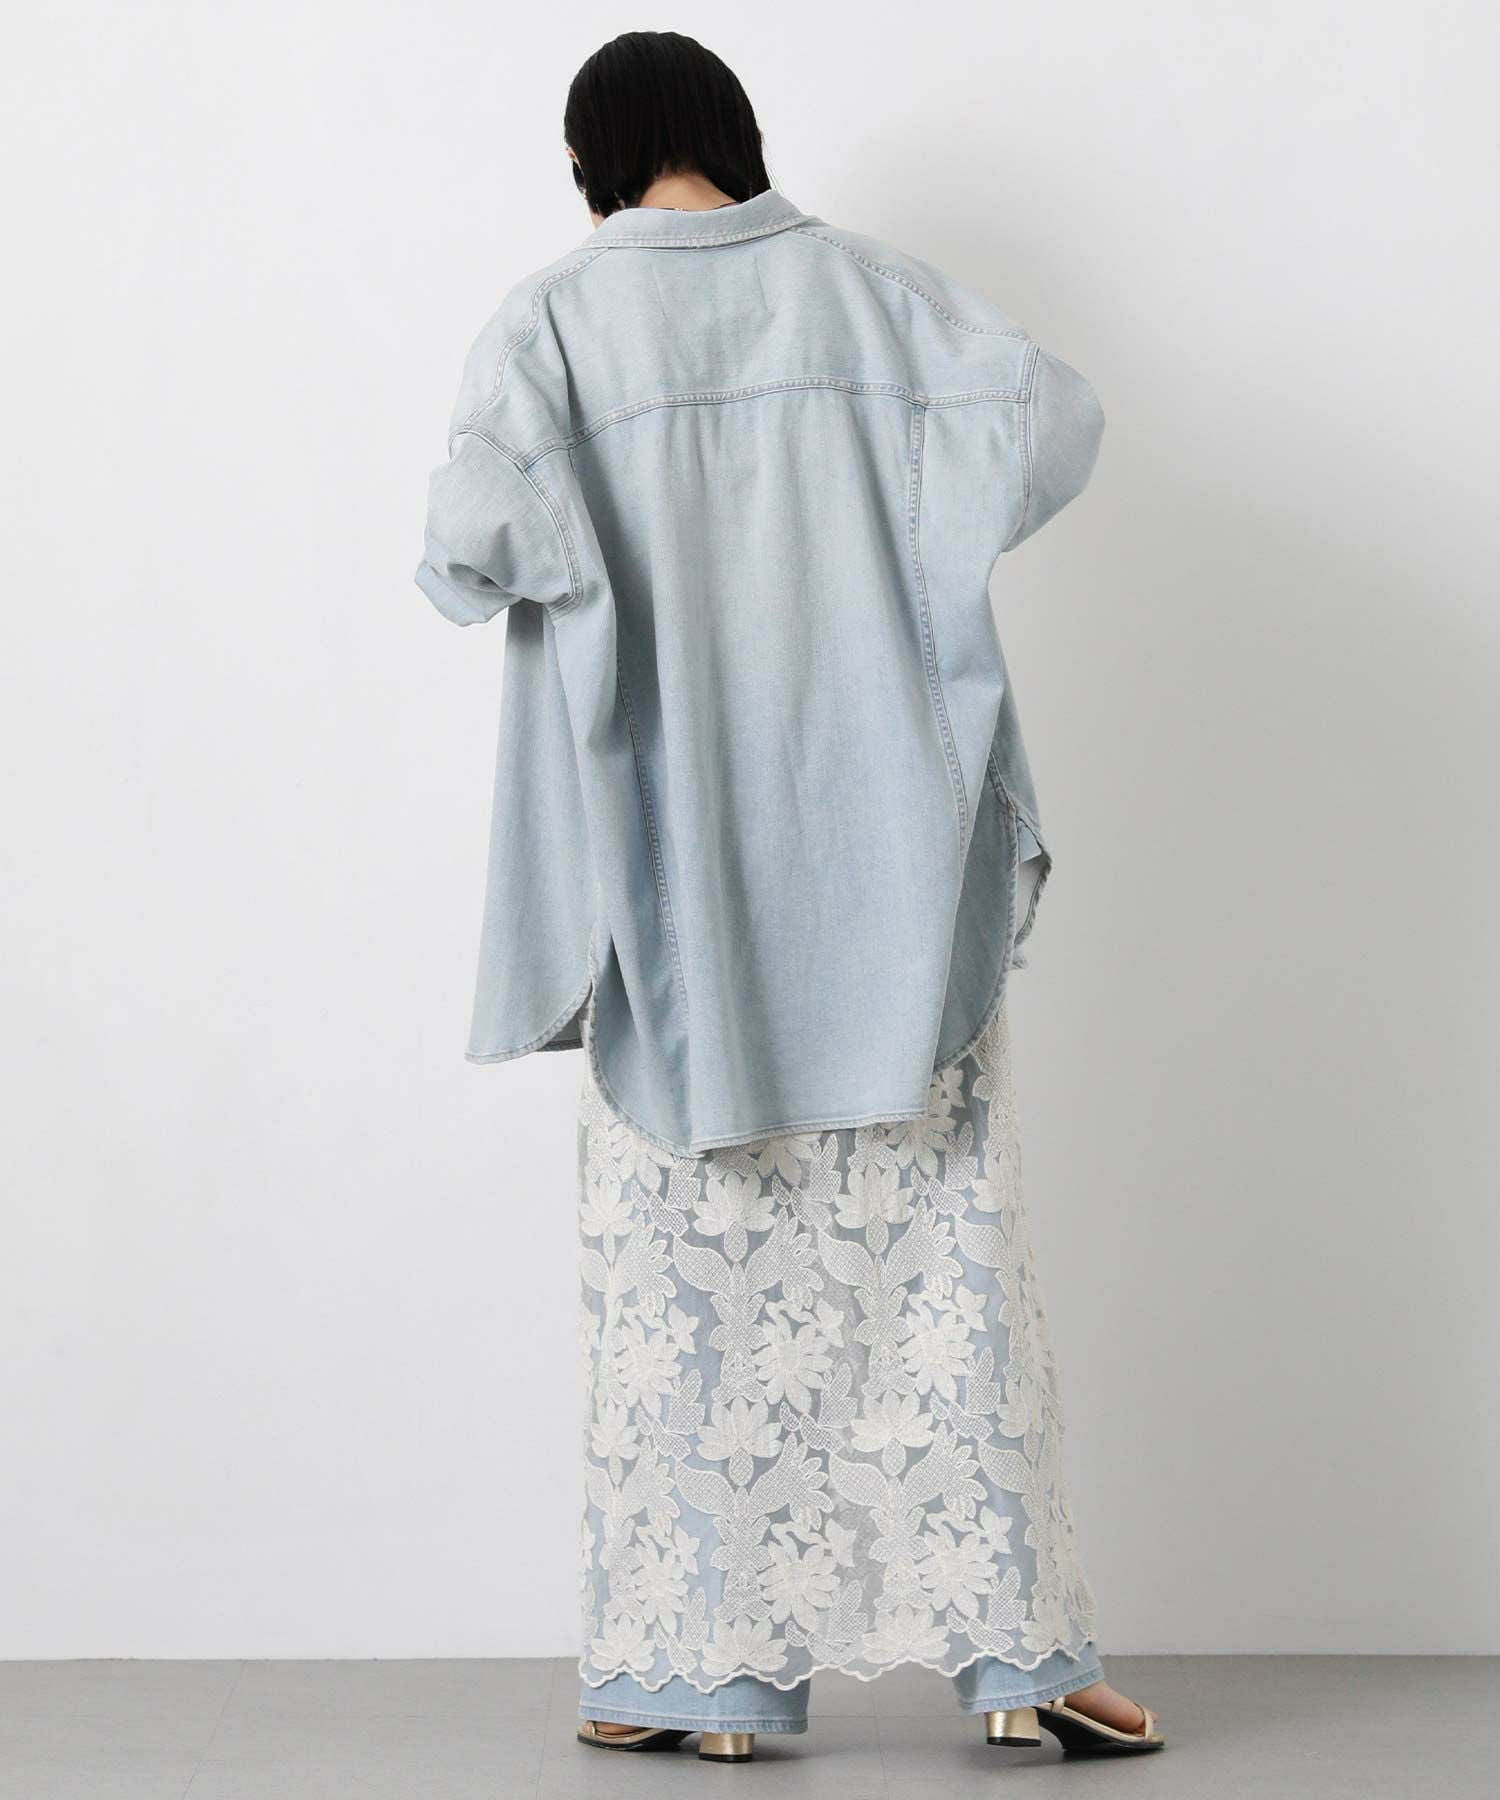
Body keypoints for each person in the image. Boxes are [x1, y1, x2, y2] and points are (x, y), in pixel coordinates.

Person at [415, 28, 1162, 1765]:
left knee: (690, 1284)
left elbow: (461, 547)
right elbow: (1056, 422)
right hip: (892, 866)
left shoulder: (551, 327)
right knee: (947, 1265)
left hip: (670, 878)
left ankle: (710, 1686)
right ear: (734, 137)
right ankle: (1025, 1659)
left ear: (594, 161)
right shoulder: (882, 297)